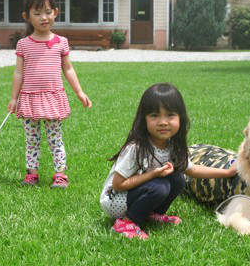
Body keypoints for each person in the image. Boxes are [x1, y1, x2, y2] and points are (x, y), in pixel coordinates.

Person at [100, 83, 238, 240]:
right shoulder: (136, 148)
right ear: (143, 119)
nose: (163, 122)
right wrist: (152, 175)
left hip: (139, 192)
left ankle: (153, 214)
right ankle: (126, 223)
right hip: (115, 201)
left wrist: (227, 172)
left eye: (170, 115)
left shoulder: (171, 146)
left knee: (178, 178)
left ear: (181, 118)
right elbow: (118, 184)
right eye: (154, 115)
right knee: (160, 187)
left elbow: (192, 170)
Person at [8, 0, 92, 188]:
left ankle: (60, 174)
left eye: (47, 11)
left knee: (55, 138)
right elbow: (18, 73)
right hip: (29, 99)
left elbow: (68, 70)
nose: (43, 17)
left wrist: (79, 92)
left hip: (52, 98)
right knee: (32, 139)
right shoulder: (23, 44)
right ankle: (32, 174)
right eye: (37, 14)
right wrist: (13, 98)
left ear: (56, 12)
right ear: (26, 17)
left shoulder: (61, 43)